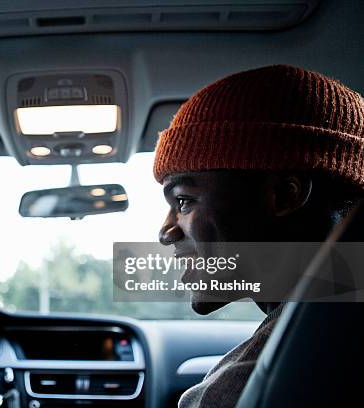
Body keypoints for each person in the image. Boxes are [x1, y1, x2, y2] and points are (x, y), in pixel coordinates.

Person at [153, 65, 364, 407]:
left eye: (184, 201)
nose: (165, 232)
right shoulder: (319, 336)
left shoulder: (259, 380)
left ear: (283, 194)